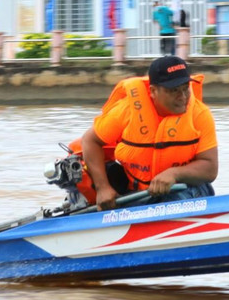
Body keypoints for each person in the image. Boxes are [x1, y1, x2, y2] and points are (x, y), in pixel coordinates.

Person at [66, 56, 217, 209]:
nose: (183, 97)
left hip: (184, 188)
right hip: (139, 194)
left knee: (180, 196)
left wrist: (174, 173)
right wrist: (102, 188)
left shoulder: (200, 114)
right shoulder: (127, 110)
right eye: (174, 90)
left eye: (185, 88)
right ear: (153, 91)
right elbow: (90, 141)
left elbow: (210, 169)